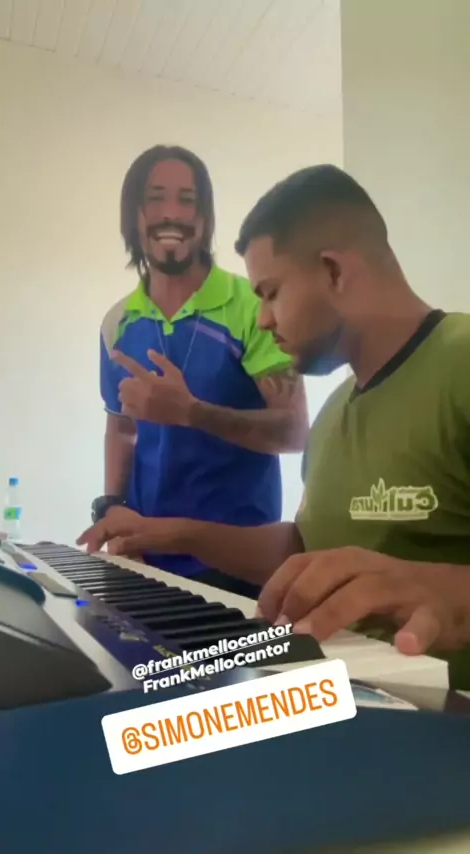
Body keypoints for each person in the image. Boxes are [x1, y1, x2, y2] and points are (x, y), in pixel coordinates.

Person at [79, 163, 470, 688]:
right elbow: (304, 549)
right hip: (331, 698)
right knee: (114, 716)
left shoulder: (460, 364)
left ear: (333, 272)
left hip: (439, 722)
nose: (263, 318)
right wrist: (170, 532)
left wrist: (444, 592)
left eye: (271, 292)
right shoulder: (333, 417)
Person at [88, 145, 308, 598]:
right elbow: (122, 429)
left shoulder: (254, 307)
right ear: (133, 216)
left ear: (205, 219)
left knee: (252, 650)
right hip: (144, 560)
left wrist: (190, 412)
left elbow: (294, 432)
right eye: (155, 198)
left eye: (187, 200)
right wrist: (112, 508)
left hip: (238, 566)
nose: (171, 213)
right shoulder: (118, 323)